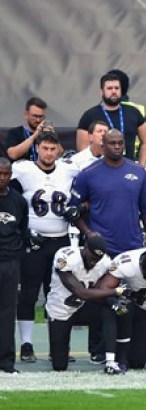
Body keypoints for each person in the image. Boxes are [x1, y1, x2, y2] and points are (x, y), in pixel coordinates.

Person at [10, 132, 79, 363]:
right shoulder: (24, 170)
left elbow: (85, 192)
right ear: (37, 148)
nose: (49, 153)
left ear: (59, 149)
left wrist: (78, 207)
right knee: (28, 294)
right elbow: (10, 198)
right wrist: (25, 231)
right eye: (45, 148)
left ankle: (57, 347)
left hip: (61, 241)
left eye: (53, 149)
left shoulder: (69, 169)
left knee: (57, 295)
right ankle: (27, 344)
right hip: (34, 242)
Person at [70, 129, 146, 257]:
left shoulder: (138, 172)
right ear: (103, 146)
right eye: (112, 143)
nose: (117, 146)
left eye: (120, 143)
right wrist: (88, 233)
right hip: (101, 249)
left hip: (133, 246)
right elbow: (72, 210)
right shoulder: (88, 173)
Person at [44, 235, 118, 371]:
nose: (94, 262)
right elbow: (81, 292)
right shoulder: (66, 257)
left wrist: (114, 297)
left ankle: (110, 358)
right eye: (92, 257)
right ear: (85, 248)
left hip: (85, 307)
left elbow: (106, 286)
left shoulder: (105, 261)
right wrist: (115, 292)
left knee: (112, 308)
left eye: (98, 259)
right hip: (61, 308)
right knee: (59, 365)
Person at [76, 72, 146, 165]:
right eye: (109, 88)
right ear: (102, 91)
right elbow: (83, 150)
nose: (114, 91)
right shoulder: (89, 115)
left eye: (117, 88)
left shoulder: (134, 112)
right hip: (102, 172)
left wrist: (141, 168)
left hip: (129, 170)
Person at [0, 158, 28, 374]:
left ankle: (6, 362)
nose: (2, 178)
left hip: (10, 262)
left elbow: (23, 229)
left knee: (8, 313)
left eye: (6, 174)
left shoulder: (18, 201)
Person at [5, 97, 55, 162]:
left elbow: (61, 156)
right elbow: (13, 155)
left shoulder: (47, 132)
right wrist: (34, 135)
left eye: (41, 116)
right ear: (26, 114)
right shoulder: (15, 132)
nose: (38, 120)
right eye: (35, 116)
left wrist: (53, 136)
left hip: (43, 170)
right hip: (23, 170)